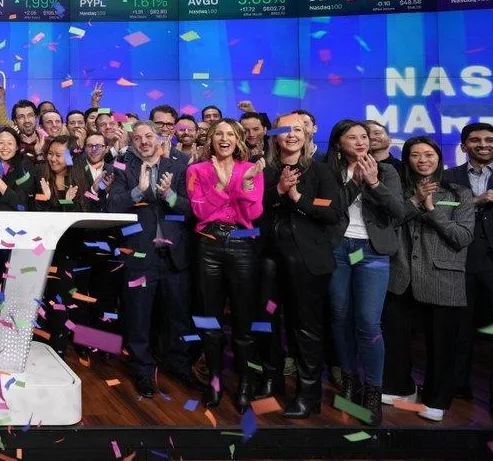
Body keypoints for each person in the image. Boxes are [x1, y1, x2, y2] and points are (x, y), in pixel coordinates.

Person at [381, 137, 474, 422]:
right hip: (401, 276)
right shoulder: (399, 193)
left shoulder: (460, 193)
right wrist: (414, 201)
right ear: (407, 160)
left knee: (442, 344)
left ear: (439, 157)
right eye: (415, 155)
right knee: (396, 338)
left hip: (442, 278)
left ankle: (437, 399)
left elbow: (462, 237)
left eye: (429, 154)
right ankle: (401, 387)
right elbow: (389, 225)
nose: (423, 160)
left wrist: (432, 209)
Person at [256, 113, 341, 418]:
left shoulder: (320, 171)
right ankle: (271, 378)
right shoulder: (264, 171)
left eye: (297, 129)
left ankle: (308, 394)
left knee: (305, 328)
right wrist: (278, 190)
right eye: (284, 130)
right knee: (265, 319)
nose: (291, 135)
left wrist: (298, 196)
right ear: (274, 136)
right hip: (267, 258)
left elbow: (330, 209)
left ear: (307, 134)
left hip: (306, 261)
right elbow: (252, 208)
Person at [324, 119, 406, 426]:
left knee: (369, 323)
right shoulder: (329, 171)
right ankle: (348, 379)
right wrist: (352, 183)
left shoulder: (387, 172)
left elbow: (398, 212)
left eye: (364, 136)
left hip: (371, 251)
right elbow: (328, 210)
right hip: (338, 249)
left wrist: (372, 182)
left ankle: (373, 389)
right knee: (339, 316)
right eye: (353, 137)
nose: (361, 141)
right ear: (338, 144)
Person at [107, 122, 195, 397]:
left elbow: (192, 210)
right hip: (139, 256)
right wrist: (140, 191)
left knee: (178, 317)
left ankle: (178, 365)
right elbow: (112, 206)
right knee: (138, 317)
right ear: (132, 143)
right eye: (138, 138)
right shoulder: (122, 167)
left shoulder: (178, 167)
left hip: (173, 256)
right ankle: (142, 371)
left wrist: (168, 196)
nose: (144, 142)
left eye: (148, 136)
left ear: (158, 138)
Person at [186, 119, 266, 414]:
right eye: (219, 133)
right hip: (208, 244)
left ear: (238, 139)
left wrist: (242, 185)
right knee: (210, 320)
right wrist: (221, 186)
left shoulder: (251, 169)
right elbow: (199, 210)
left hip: (243, 245)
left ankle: (245, 383)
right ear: (210, 138)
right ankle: (215, 380)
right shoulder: (195, 170)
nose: (224, 138)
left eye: (230, 134)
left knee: (244, 322)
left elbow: (254, 210)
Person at [445, 123, 493, 422]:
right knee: (459, 328)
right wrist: (473, 201)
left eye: (490, 140)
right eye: (475, 140)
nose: (483, 144)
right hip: (459, 260)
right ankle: (458, 387)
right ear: (464, 146)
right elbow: (442, 205)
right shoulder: (449, 177)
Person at [32, 137, 96, 356]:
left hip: (72, 251)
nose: (53, 159)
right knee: (49, 300)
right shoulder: (40, 177)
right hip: (45, 252)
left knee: (71, 301)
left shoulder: (80, 180)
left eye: (58, 155)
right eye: (51, 153)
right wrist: (48, 201)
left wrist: (63, 204)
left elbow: (81, 219)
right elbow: (37, 219)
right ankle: (49, 348)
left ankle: (71, 347)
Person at [0, 127, 36, 211]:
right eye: (1, 143)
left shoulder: (25, 165)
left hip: (16, 220)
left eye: (10, 143)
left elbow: (20, 204)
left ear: (16, 147)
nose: (5, 147)